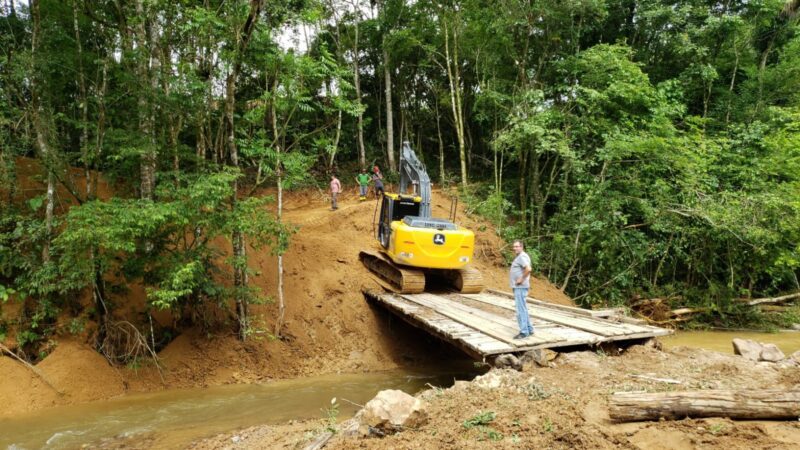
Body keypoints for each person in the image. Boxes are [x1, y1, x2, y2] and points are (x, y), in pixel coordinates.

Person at [509, 240, 534, 339]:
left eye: (517, 246)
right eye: (514, 247)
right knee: (523, 308)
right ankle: (529, 329)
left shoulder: (522, 256)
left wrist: (521, 278)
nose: (515, 248)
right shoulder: (521, 256)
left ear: (522, 247)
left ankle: (524, 332)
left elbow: (528, 269)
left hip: (520, 286)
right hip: (519, 287)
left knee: (520, 310)